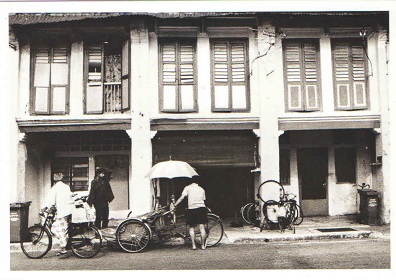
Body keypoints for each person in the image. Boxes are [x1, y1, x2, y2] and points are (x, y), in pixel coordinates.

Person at [172, 176, 208, 250]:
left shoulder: (187, 188)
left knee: (191, 227)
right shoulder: (201, 189)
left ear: (191, 181)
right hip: (201, 208)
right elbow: (203, 200)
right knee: (202, 227)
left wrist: (175, 204)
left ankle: (194, 245)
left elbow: (182, 198)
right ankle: (202, 246)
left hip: (192, 208)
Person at [43, 172, 74, 256]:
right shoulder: (66, 186)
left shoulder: (54, 188)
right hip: (69, 211)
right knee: (64, 228)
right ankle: (66, 244)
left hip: (62, 211)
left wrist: (45, 208)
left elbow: (51, 201)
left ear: (54, 179)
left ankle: (63, 248)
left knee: (56, 229)